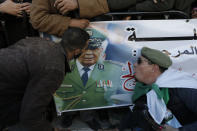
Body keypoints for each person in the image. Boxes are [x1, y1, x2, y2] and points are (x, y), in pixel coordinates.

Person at [0, 27, 90, 131]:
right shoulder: (54, 69)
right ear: (77, 51)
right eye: (85, 48)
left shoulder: (38, 41)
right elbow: (30, 116)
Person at [118, 47, 197, 131]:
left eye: (139, 62)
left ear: (154, 68)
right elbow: (136, 117)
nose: (134, 64)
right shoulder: (143, 90)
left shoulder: (182, 86)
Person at [30, 0, 110, 37]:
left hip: (97, 35)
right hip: (61, 43)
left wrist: (78, 4)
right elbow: (38, 19)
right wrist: (70, 22)